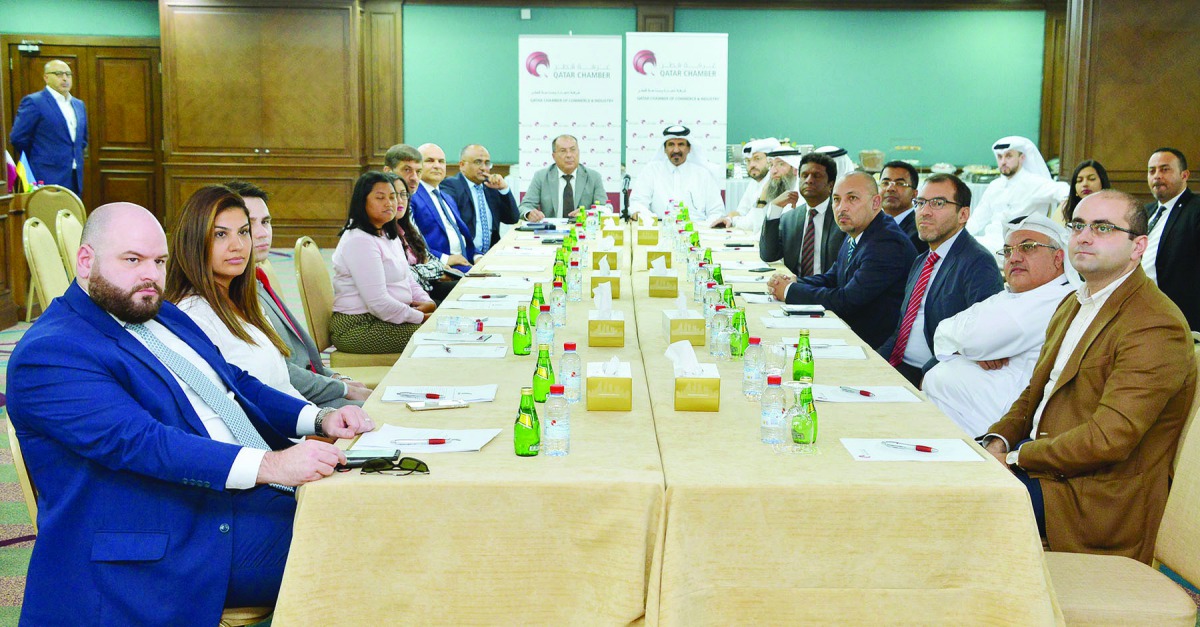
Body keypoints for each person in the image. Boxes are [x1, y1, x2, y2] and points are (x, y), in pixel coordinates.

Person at [7, 202, 374, 624]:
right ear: (86, 261)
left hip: (226, 500)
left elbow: (233, 383)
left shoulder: (156, 310)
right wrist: (272, 465)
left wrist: (319, 418)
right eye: (132, 260)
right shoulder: (52, 352)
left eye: (159, 261)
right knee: (353, 548)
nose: (150, 274)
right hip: (163, 543)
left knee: (370, 513)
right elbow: (141, 442)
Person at [980, 190, 1195, 564]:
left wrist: (1018, 457)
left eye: (1103, 227)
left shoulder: (1154, 323)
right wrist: (998, 440)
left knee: (957, 504)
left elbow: (1109, 439)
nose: (1084, 235)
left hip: (1093, 499)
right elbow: (1035, 393)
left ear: (1138, 246)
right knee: (933, 473)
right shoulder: (1074, 301)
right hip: (1049, 472)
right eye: (1078, 225)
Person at [923, 214, 1074, 437]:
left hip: (987, 433)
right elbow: (942, 330)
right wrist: (969, 348)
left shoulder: (1057, 299)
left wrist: (967, 345)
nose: (1014, 258)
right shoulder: (1010, 295)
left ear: (1058, 258)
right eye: (1008, 250)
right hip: (950, 421)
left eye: (1028, 247)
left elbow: (976, 340)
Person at [225, 180, 371, 408]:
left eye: (266, 222)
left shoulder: (257, 278)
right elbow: (276, 371)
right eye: (249, 226)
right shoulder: (231, 293)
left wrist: (335, 378)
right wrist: (341, 388)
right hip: (293, 404)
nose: (263, 233)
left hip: (310, 390)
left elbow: (302, 356)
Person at [165, 186, 310, 404]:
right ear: (194, 242)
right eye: (220, 234)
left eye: (243, 232)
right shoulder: (192, 316)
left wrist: (320, 418)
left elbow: (283, 387)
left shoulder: (245, 302)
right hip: (269, 436)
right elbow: (227, 410)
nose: (238, 246)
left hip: (299, 423)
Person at [877, 173, 1004, 387]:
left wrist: (927, 378)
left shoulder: (978, 262)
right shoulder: (922, 261)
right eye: (921, 202)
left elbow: (982, 338)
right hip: (900, 368)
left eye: (938, 203)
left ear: (963, 214)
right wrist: (875, 364)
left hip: (934, 378)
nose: (925, 212)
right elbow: (902, 329)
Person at [768, 172, 917, 348]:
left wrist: (790, 291)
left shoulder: (887, 243)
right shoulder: (859, 229)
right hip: (851, 330)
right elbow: (833, 278)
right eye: (837, 200)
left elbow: (847, 301)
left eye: (852, 198)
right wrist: (795, 281)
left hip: (876, 345)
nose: (841, 208)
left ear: (876, 203)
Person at [330, 171, 436, 354]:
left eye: (393, 197)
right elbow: (378, 303)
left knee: (442, 328)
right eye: (380, 198)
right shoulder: (359, 240)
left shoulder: (387, 232)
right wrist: (421, 317)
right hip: (358, 327)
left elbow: (407, 278)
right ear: (362, 202)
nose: (390, 203)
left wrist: (426, 301)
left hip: (386, 318)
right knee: (437, 335)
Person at [967, 136, 1068, 254]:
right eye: (1000, 157)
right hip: (990, 241)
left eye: (1008, 156)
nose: (1003, 161)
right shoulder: (994, 186)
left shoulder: (1034, 183)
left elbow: (1064, 190)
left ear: (1022, 158)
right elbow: (977, 220)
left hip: (1018, 246)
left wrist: (1065, 204)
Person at [383, 144, 458, 296]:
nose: (414, 178)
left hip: (421, 287)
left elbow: (425, 254)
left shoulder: (404, 212)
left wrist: (435, 269)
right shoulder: (384, 215)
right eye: (407, 170)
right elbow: (402, 275)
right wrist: (437, 271)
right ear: (388, 172)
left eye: (418, 171)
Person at [759, 151, 846, 279]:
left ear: (831, 184)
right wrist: (775, 208)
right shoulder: (789, 218)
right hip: (796, 291)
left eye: (817, 176)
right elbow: (768, 255)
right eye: (804, 175)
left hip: (830, 293)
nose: (809, 180)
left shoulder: (842, 217)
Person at [9, 59, 88, 194]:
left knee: (70, 214)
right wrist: (40, 156)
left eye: (68, 74)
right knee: (47, 213)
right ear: (46, 77)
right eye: (58, 74)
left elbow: (82, 140)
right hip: (46, 174)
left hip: (74, 175)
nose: (65, 78)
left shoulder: (78, 104)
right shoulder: (35, 102)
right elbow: (18, 138)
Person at [1142, 147, 1199, 331]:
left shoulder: (1196, 210)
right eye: (1152, 171)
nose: (1157, 176)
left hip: (1179, 314)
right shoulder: (1143, 212)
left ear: (1184, 175)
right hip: (1138, 307)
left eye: (1165, 169)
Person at [628, 125, 725, 222]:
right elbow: (638, 203)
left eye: (681, 144)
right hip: (660, 229)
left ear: (689, 148)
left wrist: (704, 228)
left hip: (696, 231)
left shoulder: (703, 175)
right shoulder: (651, 171)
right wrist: (650, 221)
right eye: (671, 144)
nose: (676, 150)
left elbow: (716, 211)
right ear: (665, 149)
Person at [440, 144, 519, 255]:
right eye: (478, 162)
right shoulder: (451, 186)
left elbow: (512, 218)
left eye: (487, 163)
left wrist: (504, 189)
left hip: (491, 255)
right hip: (465, 257)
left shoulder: (491, 187)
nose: (483, 167)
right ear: (462, 165)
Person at [408, 143, 475, 272]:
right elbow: (412, 242)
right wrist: (445, 259)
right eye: (429, 161)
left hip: (466, 260)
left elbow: (460, 233)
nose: (437, 165)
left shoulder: (447, 197)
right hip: (442, 266)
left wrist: (476, 256)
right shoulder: (411, 197)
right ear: (417, 166)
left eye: (441, 161)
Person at [519, 134, 608, 221]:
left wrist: (588, 213)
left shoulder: (593, 177)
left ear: (578, 152)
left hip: (583, 230)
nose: (569, 155)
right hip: (551, 231)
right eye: (563, 151)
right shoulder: (541, 177)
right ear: (554, 156)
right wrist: (529, 213)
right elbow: (525, 206)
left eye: (573, 150)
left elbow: (606, 208)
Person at [710, 137, 780, 233]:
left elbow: (752, 223)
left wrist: (733, 220)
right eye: (748, 161)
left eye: (757, 159)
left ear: (770, 161)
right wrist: (728, 218)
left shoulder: (774, 182)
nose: (752, 165)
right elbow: (741, 212)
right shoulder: (754, 182)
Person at [878, 160, 927, 253]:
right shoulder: (871, 225)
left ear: (914, 194)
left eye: (900, 184)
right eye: (885, 183)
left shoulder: (920, 231)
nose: (890, 188)